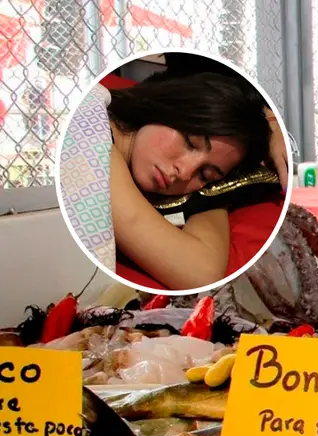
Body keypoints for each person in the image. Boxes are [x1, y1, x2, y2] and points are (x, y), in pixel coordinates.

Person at [60, 63, 287, 291]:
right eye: (190, 142)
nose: (185, 172)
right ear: (168, 106)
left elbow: (204, 269)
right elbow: (196, 271)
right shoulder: (92, 138)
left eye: (205, 174)